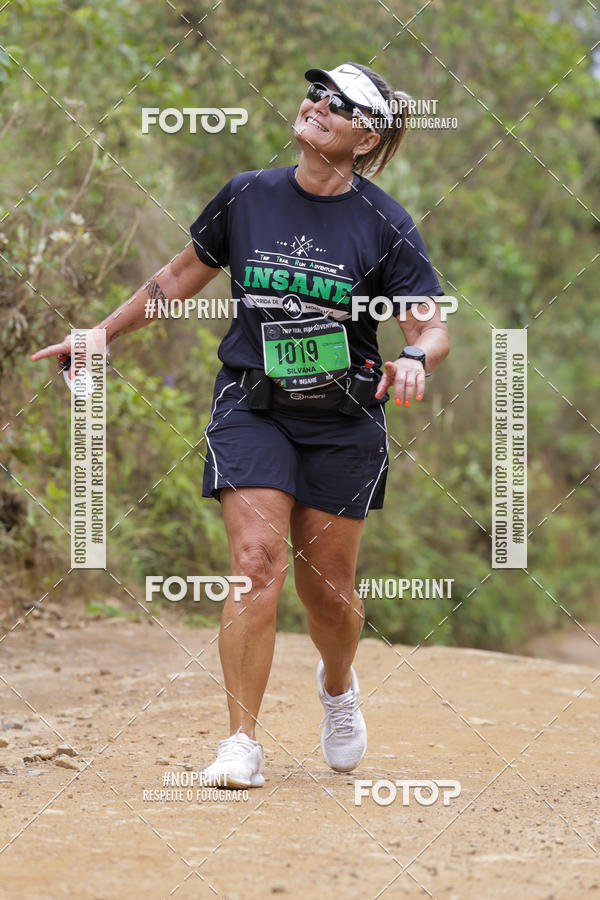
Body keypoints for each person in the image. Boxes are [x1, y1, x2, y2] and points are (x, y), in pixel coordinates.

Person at [32, 62, 450, 788]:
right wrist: (100, 334)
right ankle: (240, 744)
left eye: (340, 104)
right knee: (256, 565)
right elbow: (175, 280)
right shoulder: (249, 196)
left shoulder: (384, 222)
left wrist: (415, 355)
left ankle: (338, 686)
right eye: (316, 92)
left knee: (330, 592)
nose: (318, 105)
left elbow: (429, 323)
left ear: (365, 135)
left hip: (344, 421)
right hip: (252, 407)